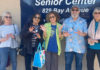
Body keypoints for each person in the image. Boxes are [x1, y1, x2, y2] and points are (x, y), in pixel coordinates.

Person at [62, 6, 87, 70]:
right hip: (69, 47)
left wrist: (82, 34)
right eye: (73, 10)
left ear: (79, 11)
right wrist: (64, 34)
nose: (74, 11)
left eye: (76, 10)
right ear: (71, 11)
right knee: (67, 64)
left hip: (79, 47)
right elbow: (63, 31)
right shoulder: (66, 21)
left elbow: (86, 33)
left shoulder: (83, 21)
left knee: (79, 65)